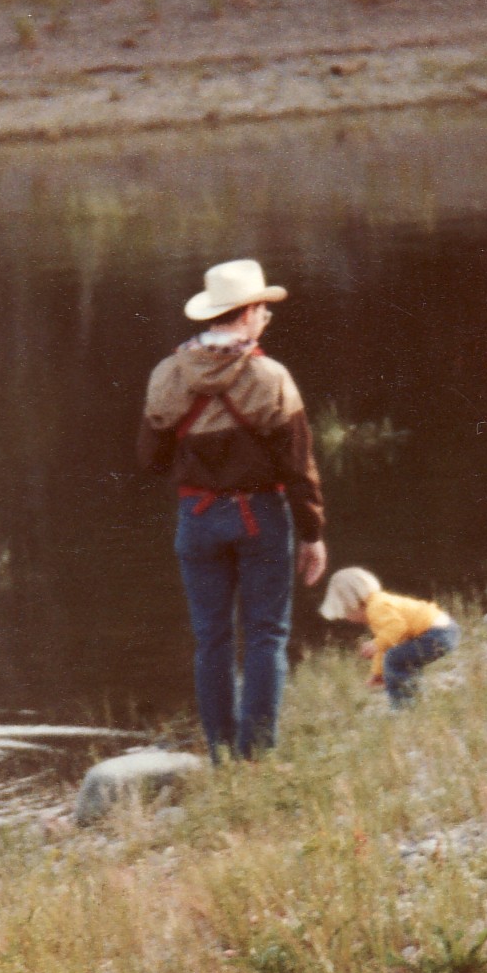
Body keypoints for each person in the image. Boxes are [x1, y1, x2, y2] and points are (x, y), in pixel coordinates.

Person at [137, 258, 327, 760]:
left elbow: (151, 459)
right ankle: (256, 757)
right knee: (265, 635)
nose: (266, 317)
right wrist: (312, 534)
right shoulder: (270, 377)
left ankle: (221, 754)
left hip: (197, 519)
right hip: (260, 518)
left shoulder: (167, 375)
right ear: (245, 314)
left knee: (212, 639)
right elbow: (299, 467)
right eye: (262, 309)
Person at [319, 567, 460, 708]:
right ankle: (414, 702)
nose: (348, 619)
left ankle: (404, 707)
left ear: (353, 603)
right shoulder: (379, 604)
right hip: (445, 630)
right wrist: (378, 673)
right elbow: (387, 645)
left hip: (437, 634)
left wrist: (376, 644)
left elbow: (397, 628)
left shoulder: (377, 608)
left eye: (346, 612)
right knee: (401, 658)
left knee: (395, 658)